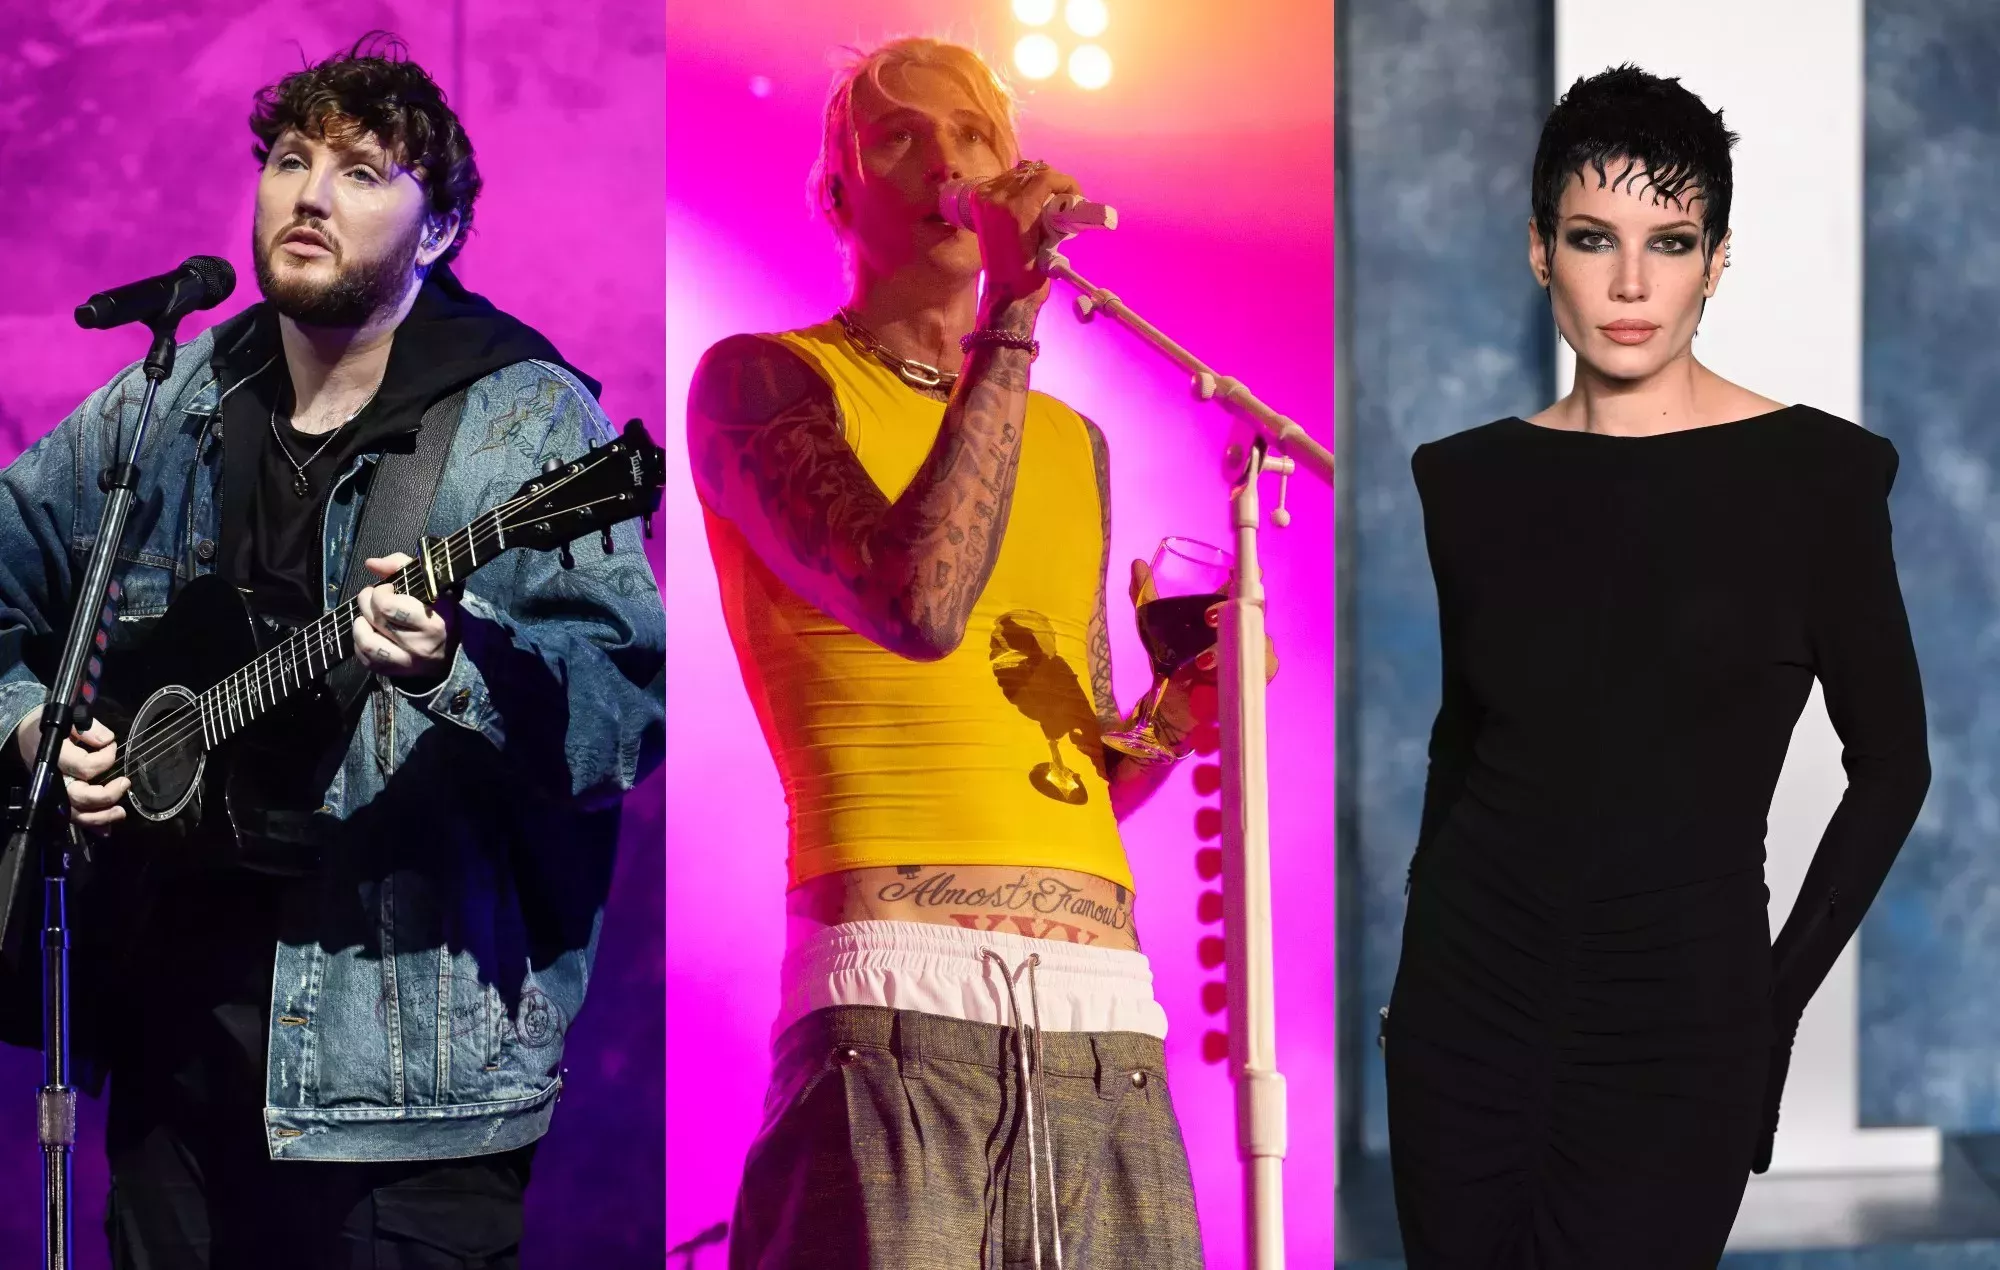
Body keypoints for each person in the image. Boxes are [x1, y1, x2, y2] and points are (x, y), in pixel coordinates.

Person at [0, 35, 664, 1268]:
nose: (308, 192)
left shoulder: (521, 418)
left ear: (437, 232)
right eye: (290, 159)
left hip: (401, 1089)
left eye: (362, 171)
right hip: (166, 1051)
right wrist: (32, 722)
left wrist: (451, 663)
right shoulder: (176, 394)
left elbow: (624, 706)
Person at [687, 36, 1269, 1270]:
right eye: (897, 135)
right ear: (836, 193)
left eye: (972, 134)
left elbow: (1086, 768)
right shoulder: (761, 382)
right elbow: (916, 603)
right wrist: (1009, 314)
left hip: (1104, 1021)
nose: (944, 160)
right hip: (896, 1015)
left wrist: (1177, 716)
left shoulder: (1069, 442)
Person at [1381, 64, 1930, 1268]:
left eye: (1668, 241)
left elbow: (1892, 765)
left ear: (1713, 260)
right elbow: (1463, 742)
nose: (1629, 284)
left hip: (1682, 1021)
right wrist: (1415, 980)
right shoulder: (1463, 481)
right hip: (1463, 1011)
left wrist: (1770, 1006)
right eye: (1593, 238)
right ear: (1540, 253)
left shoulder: (1820, 483)